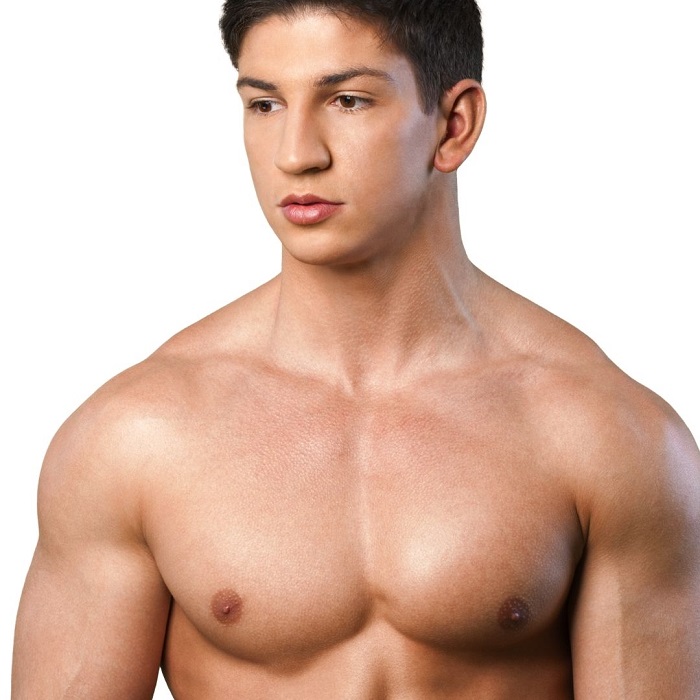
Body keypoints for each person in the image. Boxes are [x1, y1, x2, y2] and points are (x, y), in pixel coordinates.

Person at [11, 0, 700, 697]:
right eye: (265, 105)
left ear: (454, 125)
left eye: (348, 100)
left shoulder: (606, 436)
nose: (296, 155)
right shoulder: (139, 435)